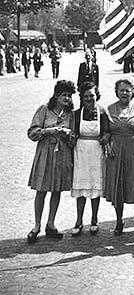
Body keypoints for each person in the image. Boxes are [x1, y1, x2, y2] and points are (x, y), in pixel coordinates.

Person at [26, 80, 76, 243]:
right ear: (56, 95)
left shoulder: (71, 114)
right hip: (46, 154)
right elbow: (32, 133)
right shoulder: (44, 110)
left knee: (57, 190)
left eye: (69, 95)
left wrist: (69, 136)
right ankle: (36, 226)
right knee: (41, 190)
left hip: (62, 155)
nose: (67, 98)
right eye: (64, 95)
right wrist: (49, 131)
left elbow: (74, 139)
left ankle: (51, 224)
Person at [105, 79, 134, 239]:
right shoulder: (109, 109)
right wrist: (108, 144)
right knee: (119, 187)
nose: (124, 93)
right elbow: (105, 132)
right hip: (116, 153)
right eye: (121, 90)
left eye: (127, 90)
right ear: (116, 91)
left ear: (133, 91)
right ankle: (119, 222)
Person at [71, 82, 110, 236]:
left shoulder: (102, 112)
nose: (89, 98)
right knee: (80, 188)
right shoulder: (76, 113)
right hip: (81, 152)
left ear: (96, 95)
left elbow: (107, 131)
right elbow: (73, 132)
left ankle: (94, 219)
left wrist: (106, 136)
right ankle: (79, 221)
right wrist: (71, 137)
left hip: (96, 151)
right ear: (82, 97)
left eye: (91, 95)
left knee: (95, 187)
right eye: (86, 96)